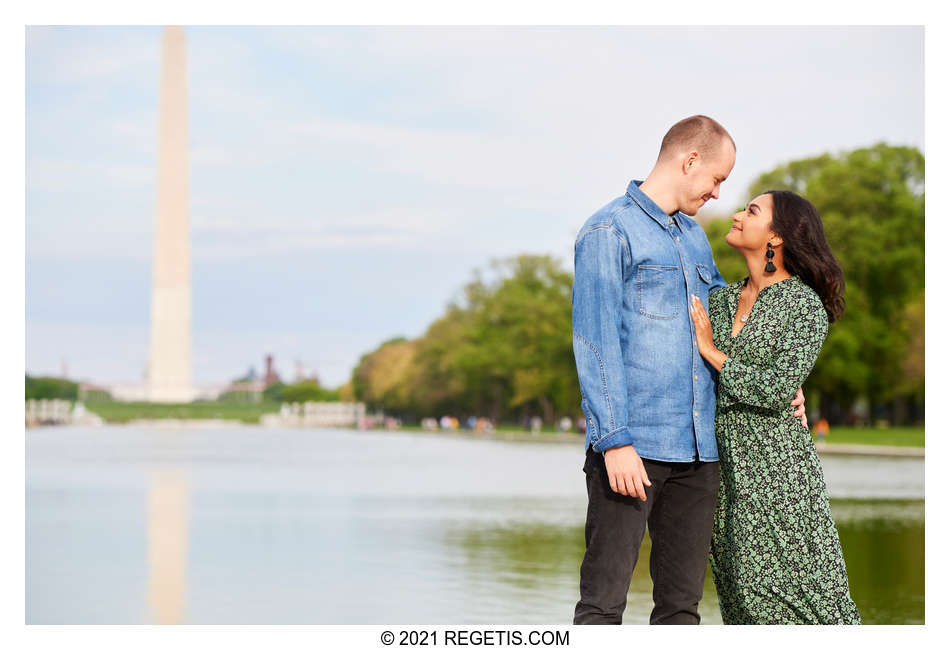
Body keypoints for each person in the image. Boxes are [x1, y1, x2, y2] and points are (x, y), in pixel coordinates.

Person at [571, 115, 806, 625]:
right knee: (602, 606)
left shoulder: (697, 239)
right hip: (634, 450)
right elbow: (595, 343)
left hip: (700, 455)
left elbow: (730, 318)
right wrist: (614, 442)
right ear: (690, 160)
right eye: (717, 178)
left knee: (681, 611)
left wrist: (783, 378)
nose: (719, 193)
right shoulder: (608, 231)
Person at [688, 190, 861, 624]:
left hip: (780, 477)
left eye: (751, 211)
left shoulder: (804, 306)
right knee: (741, 597)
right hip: (727, 475)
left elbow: (776, 389)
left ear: (777, 237)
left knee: (806, 600)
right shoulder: (722, 300)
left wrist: (712, 352)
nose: (736, 214)